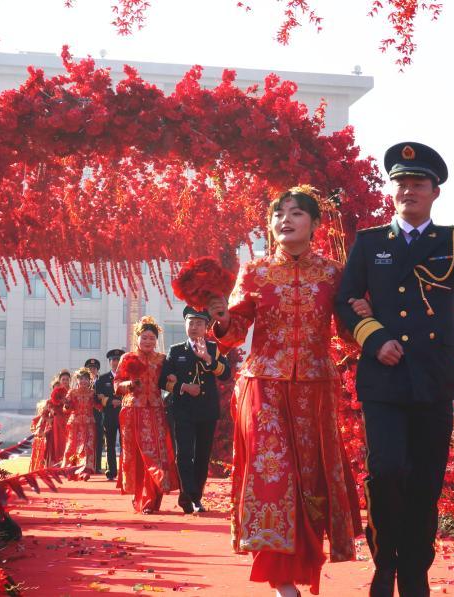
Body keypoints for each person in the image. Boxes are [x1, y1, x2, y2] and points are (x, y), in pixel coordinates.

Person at [335, 141, 454, 597]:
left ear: (434, 192)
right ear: (392, 191)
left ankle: (415, 568)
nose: (408, 191)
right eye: (401, 183)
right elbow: (344, 300)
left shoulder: (453, 240)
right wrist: (374, 336)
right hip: (383, 380)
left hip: (431, 379)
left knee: (425, 478)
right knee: (385, 472)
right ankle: (385, 564)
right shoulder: (369, 243)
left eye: (417, 184)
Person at [207, 185, 362, 597]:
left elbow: (347, 336)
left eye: (295, 213)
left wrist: (366, 317)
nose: (284, 221)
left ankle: (302, 566)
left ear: (314, 224)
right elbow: (235, 332)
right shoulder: (254, 271)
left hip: (315, 387)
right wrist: (222, 321)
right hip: (263, 386)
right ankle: (281, 581)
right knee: (271, 474)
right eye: (278, 214)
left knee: (308, 482)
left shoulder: (333, 272)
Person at [159, 306, 231, 514]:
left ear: (206, 327)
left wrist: (209, 359)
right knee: (184, 454)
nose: (194, 327)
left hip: (207, 409)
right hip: (182, 409)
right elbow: (163, 381)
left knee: (202, 455)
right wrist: (182, 387)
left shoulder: (213, 348)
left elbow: (226, 374)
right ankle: (187, 493)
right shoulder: (175, 351)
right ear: (185, 326)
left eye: (199, 323)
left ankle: (195, 497)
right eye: (191, 323)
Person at [115, 316, 179, 514]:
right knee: (137, 456)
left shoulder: (162, 359)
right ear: (137, 338)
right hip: (133, 410)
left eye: (152, 338)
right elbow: (117, 385)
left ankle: (152, 499)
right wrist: (129, 385)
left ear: (156, 339)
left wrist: (172, 379)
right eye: (144, 337)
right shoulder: (127, 358)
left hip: (156, 411)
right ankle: (140, 498)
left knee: (157, 454)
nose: (148, 341)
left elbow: (168, 385)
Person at [62, 368, 97, 480]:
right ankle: (71, 470)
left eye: (86, 379)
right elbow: (66, 409)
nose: (83, 381)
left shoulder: (92, 393)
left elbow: (99, 407)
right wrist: (67, 404)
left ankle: (85, 470)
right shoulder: (72, 392)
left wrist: (101, 400)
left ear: (89, 381)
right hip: (75, 424)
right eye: (81, 378)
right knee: (72, 446)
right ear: (77, 380)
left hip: (89, 424)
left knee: (87, 447)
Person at [96, 349, 124, 481]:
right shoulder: (102, 379)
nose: (115, 362)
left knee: (125, 444)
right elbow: (97, 397)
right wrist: (110, 401)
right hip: (109, 415)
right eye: (113, 360)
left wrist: (122, 401)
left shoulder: (127, 377)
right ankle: (111, 471)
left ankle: (125, 471)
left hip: (125, 414)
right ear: (109, 362)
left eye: (118, 360)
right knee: (110, 444)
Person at [84, 358, 104, 474]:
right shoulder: (80, 382)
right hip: (85, 414)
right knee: (86, 440)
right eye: (90, 368)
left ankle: (97, 465)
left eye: (94, 368)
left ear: (97, 370)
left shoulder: (101, 381)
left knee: (98, 439)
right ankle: (85, 465)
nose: (92, 370)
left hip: (99, 415)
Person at [48, 370, 72, 465]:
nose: (65, 381)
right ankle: (58, 461)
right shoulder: (56, 391)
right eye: (63, 379)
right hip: (58, 419)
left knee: (69, 441)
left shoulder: (72, 391)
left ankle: (68, 462)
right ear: (60, 380)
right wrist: (57, 406)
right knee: (59, 441)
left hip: (70, 419)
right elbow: (51, 404)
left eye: (67, 379)